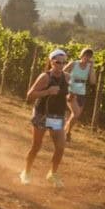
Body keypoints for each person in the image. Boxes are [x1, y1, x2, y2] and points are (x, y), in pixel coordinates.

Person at [21, 49, 71, 187]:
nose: (60, 65)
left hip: (57, 116)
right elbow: (29, 96)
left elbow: (68, 95)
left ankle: (52, 174)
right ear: (51, 62)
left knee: (60, 147)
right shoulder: (45, 77)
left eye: (63, 62)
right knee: (36, 146)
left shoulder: (67, 77)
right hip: (42, 115)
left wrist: (70, 97)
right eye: (57, 62)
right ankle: (26, 172)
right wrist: (47, 91)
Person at [63, 48, 97, 142]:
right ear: (81, 55)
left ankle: (67, 132)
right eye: (85, 55)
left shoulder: (89, 68)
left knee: (76, 115)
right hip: (71, 91)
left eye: (89, 56)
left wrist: (92, 68)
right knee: (76, 113)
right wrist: (68, 82)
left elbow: (93, 81)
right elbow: (62, 72)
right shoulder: (74, 64)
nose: (87, 57)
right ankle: (65, 132)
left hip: (82, 92)